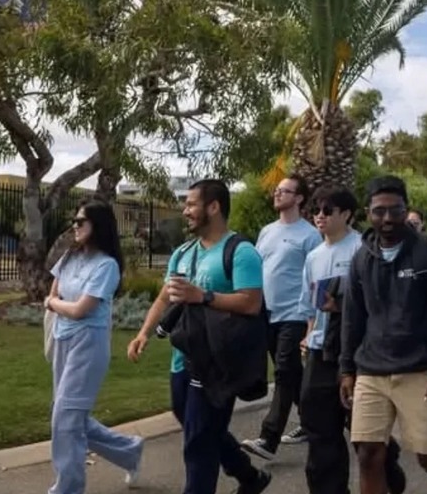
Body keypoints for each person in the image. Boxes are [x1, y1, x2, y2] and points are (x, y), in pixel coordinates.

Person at [127, 179, 271, 494]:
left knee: (199, 442)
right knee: (195, 423)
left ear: (214, 207)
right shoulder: (183, 252)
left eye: (191, 204)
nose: (185, 211)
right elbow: (165, 297)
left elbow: (251, 302)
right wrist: (143, 333)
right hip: (183, 359)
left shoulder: (241, 252)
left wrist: (203, 296)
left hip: (218, 362)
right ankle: (249, 476)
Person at [340, 175, 427, 494]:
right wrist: (347, 369)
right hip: (371, 371)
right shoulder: (361, 259)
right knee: (368, 454)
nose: (387, 218)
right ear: (368, 213)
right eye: (379, 211)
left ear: (406, 209)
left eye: (395, 210)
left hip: (420, 370)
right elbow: (352, 317)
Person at [297, 185, 407, 494]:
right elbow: (310, 306)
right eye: (315, 211)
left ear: (346, 214)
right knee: (319, 427)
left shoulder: (364, 250)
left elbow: (383, 303)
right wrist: (308, 335)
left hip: (359, 352)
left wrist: (343, 305)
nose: (319, 216)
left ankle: (388, 471)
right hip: (321, 351)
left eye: (327, 210)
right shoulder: (314, 256)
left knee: (363, 430)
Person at [44, 199, 143, 494]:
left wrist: (53, 304)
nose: (74, 226)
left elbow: (79, 309)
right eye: (74, 221)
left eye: (81, 222)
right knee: (69, 416)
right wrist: (56, 302)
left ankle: (68, 488)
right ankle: (129, 451)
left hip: (88, 344)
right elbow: (55, 292)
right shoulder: (69, 257)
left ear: (97, 226)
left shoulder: (107, 265)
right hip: (62, 339)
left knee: (66, 418)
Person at [243, 175, 322, 459]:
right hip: (267, 313)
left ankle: (268, 438)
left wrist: (312, 323)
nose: (277, 194)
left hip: (295, 314)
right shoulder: (267, 231)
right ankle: (316, 423)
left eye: (284, 191)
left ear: (299, 198)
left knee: (284, 371)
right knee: (291, 374)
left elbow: (316, 279)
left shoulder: (310, 235)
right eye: (277, 190)